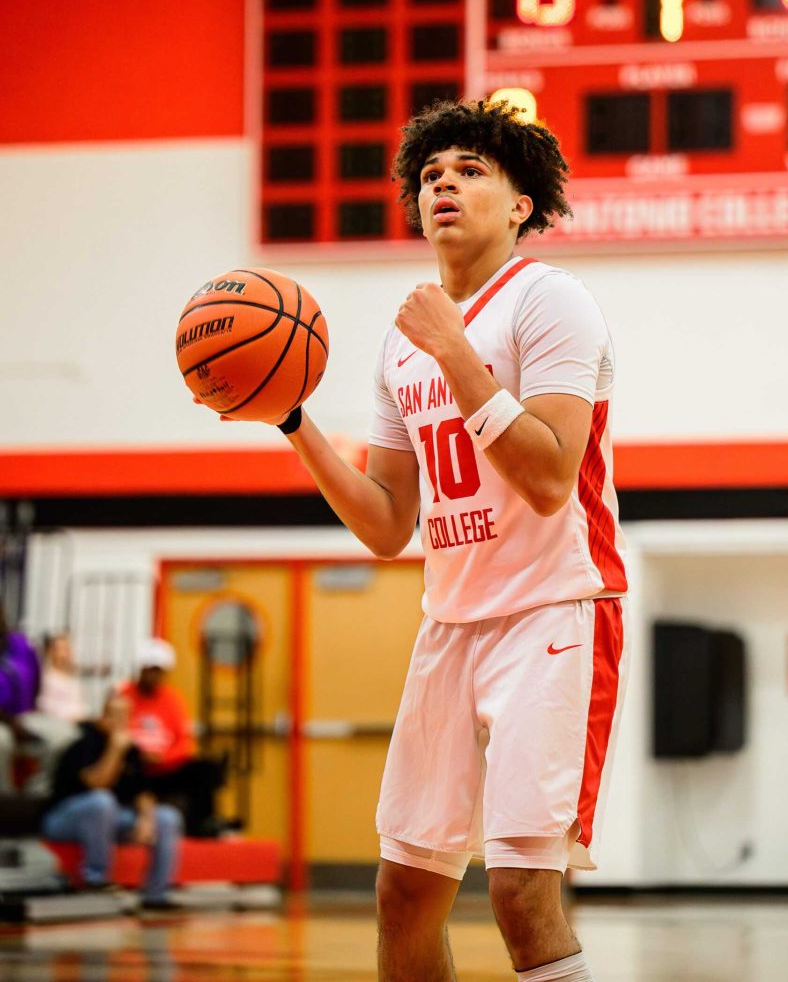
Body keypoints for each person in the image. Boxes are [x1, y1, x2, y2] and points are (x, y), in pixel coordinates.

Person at [214, 99, 629, 982]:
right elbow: (385, 524)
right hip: (450, 624)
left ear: (521, 203)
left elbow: (553, 475)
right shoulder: (401, 348)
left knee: (521, 893)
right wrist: (292, 422)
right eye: (431, 173)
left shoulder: (549, 301)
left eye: (471, 169)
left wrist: (456, 353)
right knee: (404, 891)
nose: (444, 181)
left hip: (553, 613)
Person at [42, 690, 183, 908]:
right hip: (64, 819)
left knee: (167, 817)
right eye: (113, 715)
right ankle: (95, 879)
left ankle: (157, 895)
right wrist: (115, 749)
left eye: (124, 716)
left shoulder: (132, 750)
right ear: (101, 717)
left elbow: (143, 792)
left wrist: (146, 819)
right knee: (102, 801)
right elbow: (98, 783)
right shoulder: (83, 743)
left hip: (109, 820)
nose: (119, 722)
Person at [120, 638, 225, 837]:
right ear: (140, 669)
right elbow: (115, 734)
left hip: (166, 768)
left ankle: (204, 824)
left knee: (205, 769)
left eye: (158, 670)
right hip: (135, 767)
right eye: (149, 669)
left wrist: (163, 758)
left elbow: (185, 741)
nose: (153, 675)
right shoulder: (124, 696)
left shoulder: (172, 699)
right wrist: (140, 755)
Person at [0, 605, 41, 792]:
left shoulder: (21, 644)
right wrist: (11, 722)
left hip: (24, 715)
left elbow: (37, 679)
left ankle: (38, 797)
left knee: (62, 736)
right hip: (5, 721)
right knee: (2, 741)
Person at [37, 632, 87, 723]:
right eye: (62, 649)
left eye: (68, 648)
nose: (67, 653)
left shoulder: (72, 678)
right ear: (52, 652)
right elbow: (45, 706)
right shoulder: (47, 678)